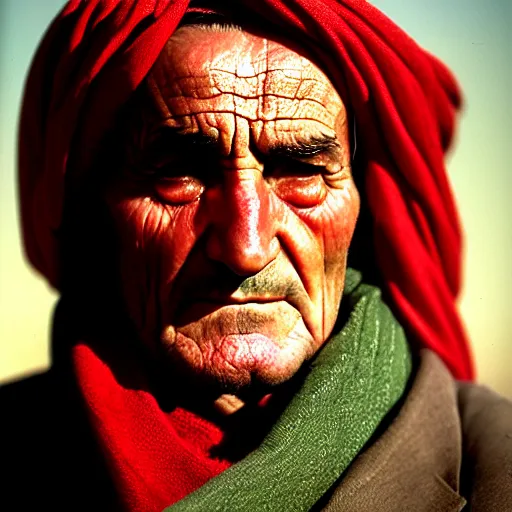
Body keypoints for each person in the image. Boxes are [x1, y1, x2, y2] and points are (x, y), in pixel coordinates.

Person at [1, 1, 511, 511]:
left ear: (367, 208)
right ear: (91, 207)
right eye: (180, 175)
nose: (246, 249)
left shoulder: (493, 469)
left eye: (301, 172)